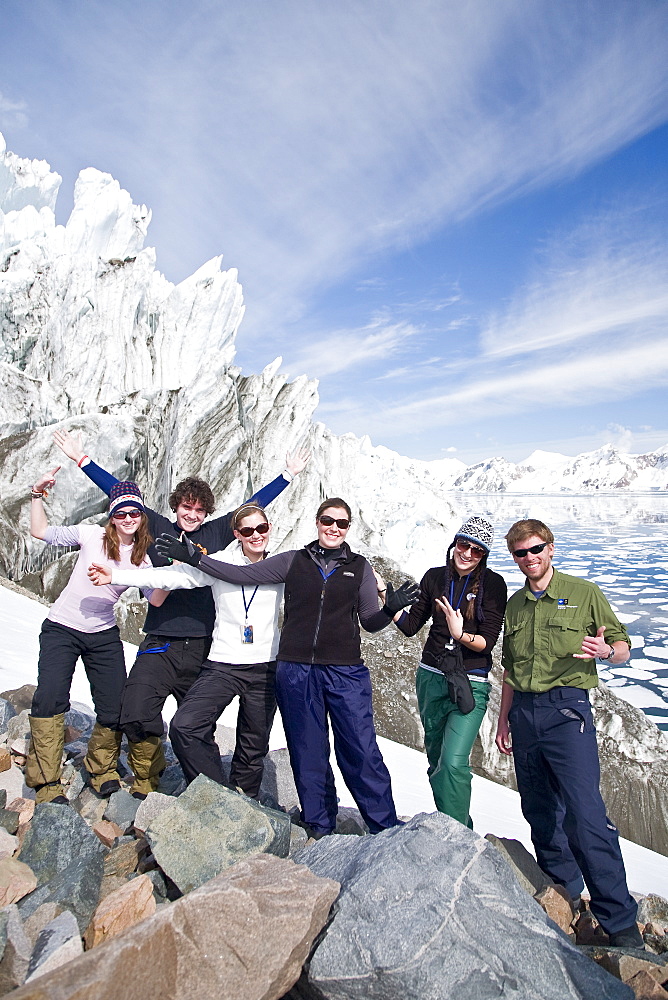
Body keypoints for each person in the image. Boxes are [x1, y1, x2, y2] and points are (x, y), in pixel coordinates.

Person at [54, 427, 308, 796]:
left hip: (207, 646)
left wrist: (287, 475)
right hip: (163, 638)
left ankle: (211, 794)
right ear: (176, 507)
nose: (192, 514)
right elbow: (119, 493)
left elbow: (253, 508)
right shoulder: (157, 527)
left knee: (197, 726)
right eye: (187, 507)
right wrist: (82, 459)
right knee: (139, 708)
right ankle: (150, 777)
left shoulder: (220, 533)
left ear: (208, 513)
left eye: (200, 509)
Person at [152, 498, 420, 837]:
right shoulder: (294, 561)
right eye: (327, 520)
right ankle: (320, 824)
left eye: (341, 523)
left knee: (361, 749)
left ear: (348, 528)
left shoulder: (360, 568)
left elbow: (369, 621)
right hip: (296, 671)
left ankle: (384, 825)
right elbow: (240, 573)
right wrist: (196, 558)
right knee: (307, 751)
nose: (333, 528)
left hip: (345, 673)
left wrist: (389, 610)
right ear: (318, 521)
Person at [495, 518, 643, 949]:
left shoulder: (584, 593)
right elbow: (510, 669)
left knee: (585, 814)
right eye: (521, 554)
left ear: (551, 548)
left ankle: (620, 924)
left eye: (536, 549)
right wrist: (504, 720)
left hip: (566, 712)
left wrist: (607, 651)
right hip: (523, 714)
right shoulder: (515, 605)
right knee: (540, 811)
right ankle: (565, 898)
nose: (530, 559)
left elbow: (622, 645)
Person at [89, 502, 282, 798]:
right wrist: (115, 576)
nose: (256, 535)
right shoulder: (218, 563)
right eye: (248, 530)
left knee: (253, 744)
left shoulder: (282, 565)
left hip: (266, 665)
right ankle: (216, 794)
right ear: (236, 534)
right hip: (224, 662)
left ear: (270, 528)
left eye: (262, 528)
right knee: (186, 726)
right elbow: (170, 578)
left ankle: (247, 800)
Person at [27, 467, 167, 803]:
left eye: (135, 511)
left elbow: (159, 598)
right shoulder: (90, 535)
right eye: (121, 512)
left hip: (103, 634)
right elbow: (40, 531)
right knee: (50, 697)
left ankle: (102, 770)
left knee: (114, 704)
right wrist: (36, 496)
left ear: (142, 515)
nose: (129, 517)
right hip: (61, 628)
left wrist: (174, 563)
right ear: (112, 516)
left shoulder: (144, 559)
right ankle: (47, 783)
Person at [393, 515, 506, 827]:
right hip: (431, 675)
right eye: (463, 544)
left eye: (477, 550)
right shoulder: (434, 578)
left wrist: (460, 635)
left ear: (484, 555)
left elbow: (487, 642)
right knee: (435, 760)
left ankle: (458, 837)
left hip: (470, 682)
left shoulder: (493, 585)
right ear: (454, 543)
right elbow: (412, 625)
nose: (467, 553)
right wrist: (389, 605)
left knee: (453, 762)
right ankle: (453, 824)